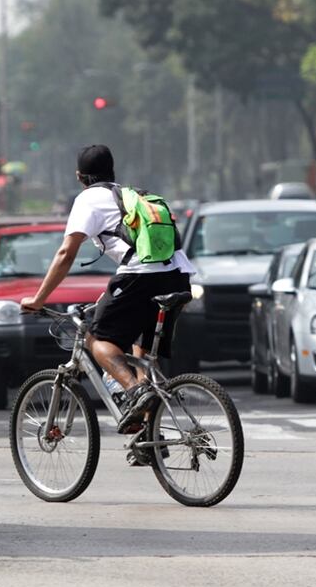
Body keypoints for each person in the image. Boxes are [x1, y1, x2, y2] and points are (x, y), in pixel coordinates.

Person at [20, 145, 195, 434]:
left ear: (80, 177)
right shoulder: (132, 194)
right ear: (112, 171)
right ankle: (150, 440)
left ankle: (134, 393)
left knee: (98, 339)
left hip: (141, 277)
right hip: (177, 276)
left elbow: (66, 253)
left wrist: (39, 299)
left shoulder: (89, 199)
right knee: (144, 360)